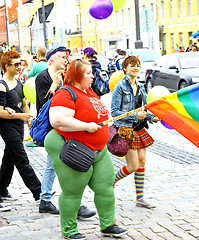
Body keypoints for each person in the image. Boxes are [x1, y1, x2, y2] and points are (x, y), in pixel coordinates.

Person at [44, 58, 128, 239]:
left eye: (91, 72)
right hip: (75, 150)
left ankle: (108, 224)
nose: (92, 76)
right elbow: (57, 120)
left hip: (98, 150)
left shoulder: (89, 92)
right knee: (73, 191)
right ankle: (69, 230)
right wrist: (86, 126)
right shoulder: (65, 93)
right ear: (76, 75)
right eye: (88, 73)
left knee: (105, 188)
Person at [35, 45, 96, 218]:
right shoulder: (43, 77)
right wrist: (54, 86)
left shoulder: (63, 77)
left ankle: (46, 199)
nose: (65, 61)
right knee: (63, 165)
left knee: (54, 165)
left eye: (66, 58)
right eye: (62, 57)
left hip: (64, 127)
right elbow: (42, 105)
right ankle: (74, 204)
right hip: (52, 128)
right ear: (53, 58)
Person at [111, 55, 159, 209]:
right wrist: (134, 115)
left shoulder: (141, 86)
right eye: (132, 65)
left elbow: (144, 108)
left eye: (138, 65)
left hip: (139, 129)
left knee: (142, 162)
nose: (136, 68)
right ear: (125, 69)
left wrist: (152, 117)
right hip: (126, 129)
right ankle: (111, 181)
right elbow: (114, 112)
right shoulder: (120, 86)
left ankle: (140, 198)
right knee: (132, 166)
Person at [0, 50, 41, 210]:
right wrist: (21, 116)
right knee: (21, 159)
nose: (19, 66)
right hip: (7, 126)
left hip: (18, 125)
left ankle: (1, 189)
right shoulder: (2, 86)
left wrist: (29, 117)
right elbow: (1, 111)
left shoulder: (19, 83)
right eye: (16, 64)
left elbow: (24, 103)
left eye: (20, 63)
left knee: (8, 159)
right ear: (6, 66)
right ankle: (39, 192)